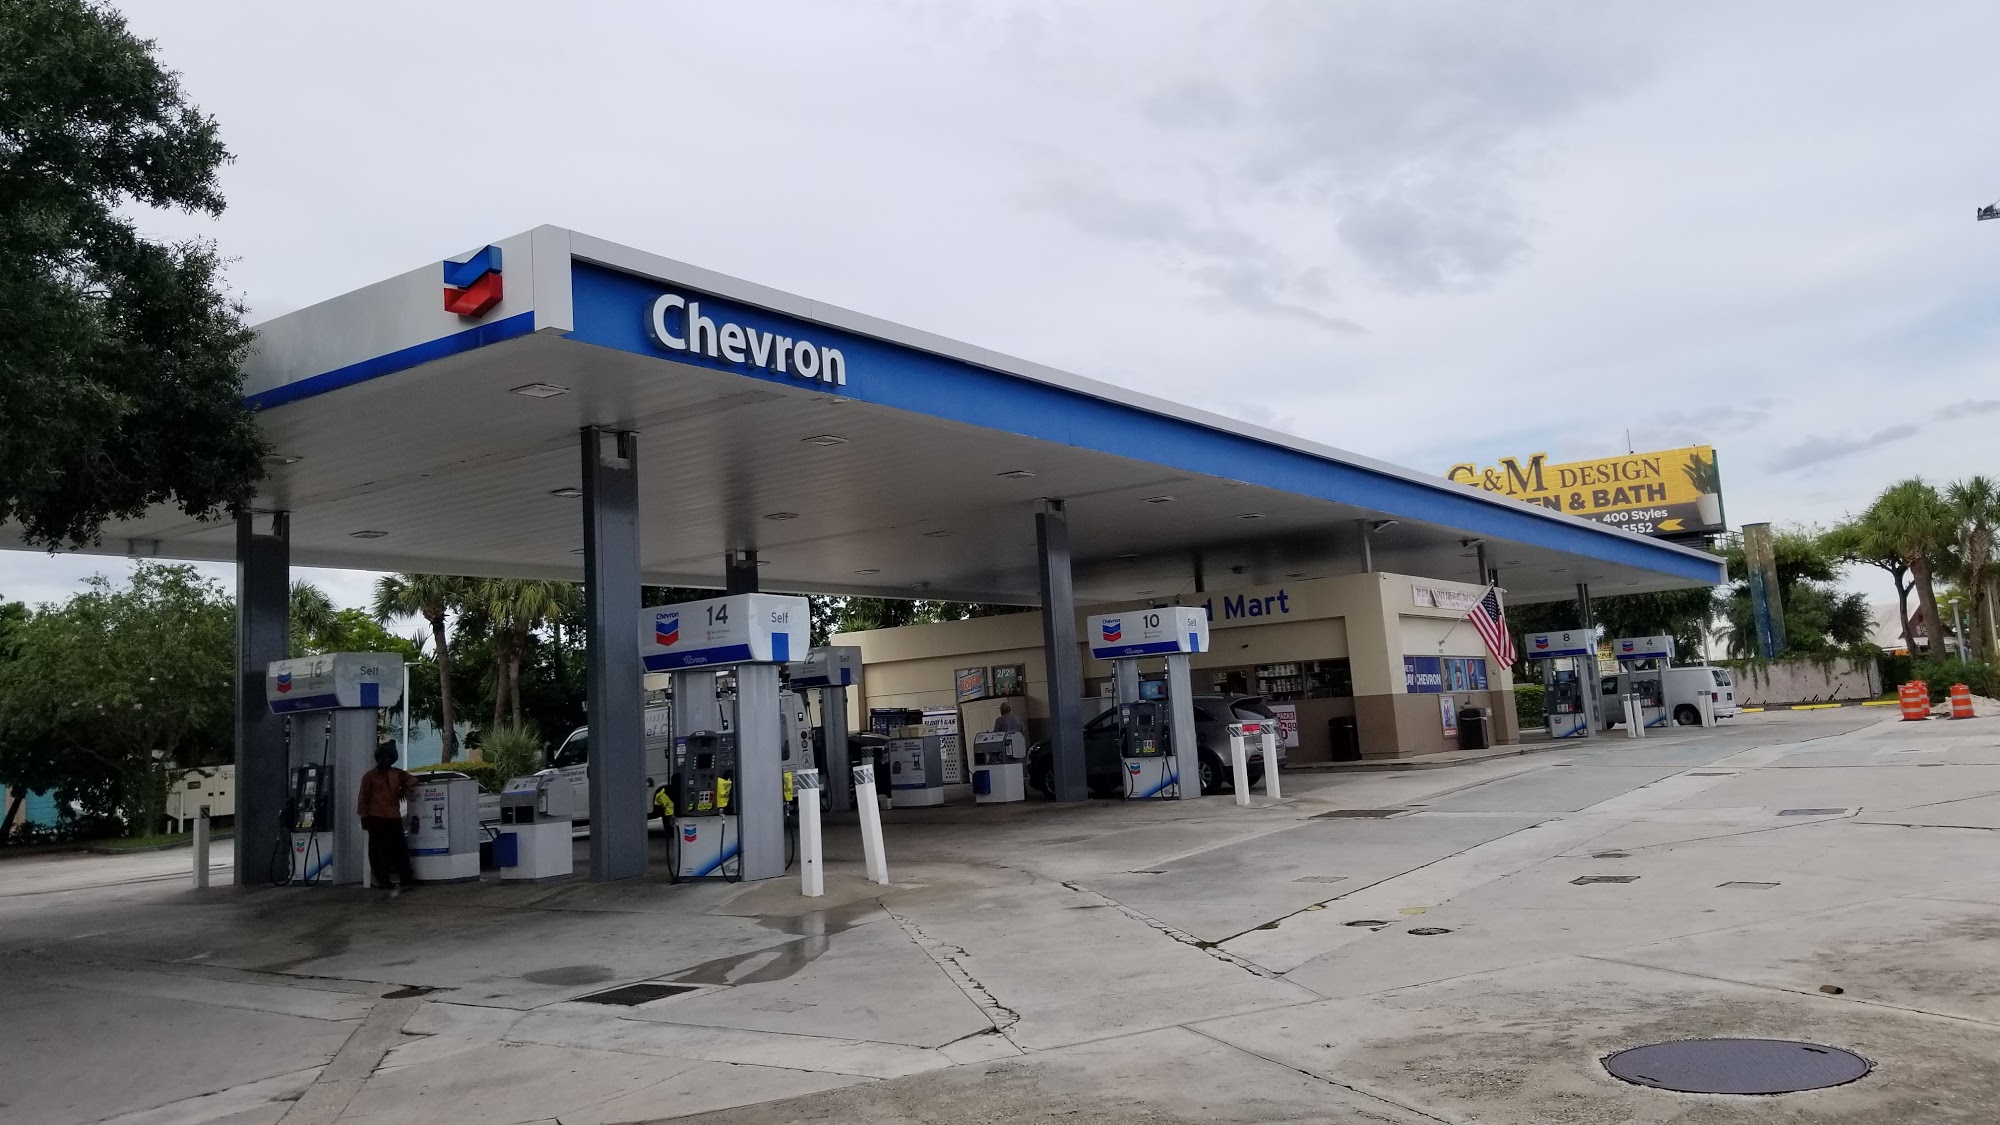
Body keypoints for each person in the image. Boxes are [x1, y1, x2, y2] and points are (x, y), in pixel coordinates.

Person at [356, 742, 418, 893]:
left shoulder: (397, 773)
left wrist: (404, 787)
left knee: (400, 849)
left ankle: (405, 877)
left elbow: (413, 780)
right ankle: (383, 880)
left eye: (388, 757)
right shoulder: (369, 776)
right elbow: (363, 798)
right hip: (375, 817)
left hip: (393, 817)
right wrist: (364, 817)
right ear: (378, 758)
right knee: (378, 852)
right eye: (382, 757)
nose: (385, 760)